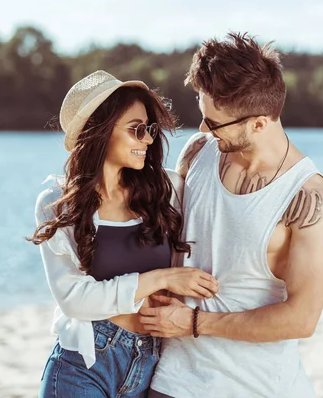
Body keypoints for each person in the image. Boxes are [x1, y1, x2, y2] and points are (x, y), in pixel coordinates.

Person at [141, 33, 323, 397]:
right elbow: (170, 239)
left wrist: (194, 322)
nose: (203, 130)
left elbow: (302, 318)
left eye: (214, 123)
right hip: (172, 381)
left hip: (253, 387)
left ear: (259, 123)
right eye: (203, 117)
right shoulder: (199, 151)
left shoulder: (308, 198)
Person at [28, 70, 218, 398]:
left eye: (149, 129)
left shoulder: (167, 189)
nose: (147, 139)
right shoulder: (58, 205)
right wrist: (161, 278)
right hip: (82, 366)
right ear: (100, 132)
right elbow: (74, 300)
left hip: (148, 363)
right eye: (136, 130)